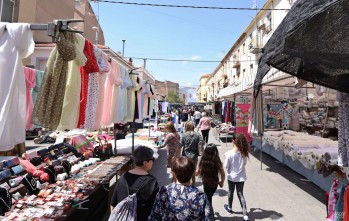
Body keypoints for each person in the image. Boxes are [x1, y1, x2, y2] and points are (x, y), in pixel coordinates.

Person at [148, 156, 213, 220]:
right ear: (193, 173)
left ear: (174, 173)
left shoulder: (165, 190)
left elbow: (155, 215)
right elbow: (208, 218)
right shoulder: (200, 195)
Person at [110, 146, 159, 221]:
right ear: (145, 163)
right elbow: (155, 208)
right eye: (152, 159)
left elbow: (113, 204)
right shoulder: (152, 181)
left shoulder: (123, 177)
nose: (153, 161)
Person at [223, 134, 250, 221]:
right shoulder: (244, 153)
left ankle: (230, 208)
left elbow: (226, 166)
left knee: (231, 192)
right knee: (240, 194)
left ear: (234, 141)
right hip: (241, 177)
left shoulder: (230, 153)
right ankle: (245, 214)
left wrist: (225, 157)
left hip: (231, 177)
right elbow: (244, 163)